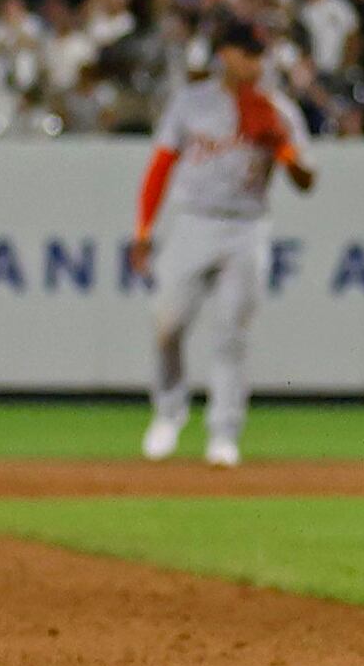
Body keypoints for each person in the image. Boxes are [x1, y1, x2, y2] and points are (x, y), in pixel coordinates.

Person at [135, 24, 318, 469]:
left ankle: (224, 432)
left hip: (247, 228)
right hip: (194, 222)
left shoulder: (278, 109)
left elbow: (307, 181)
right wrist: (143, 231)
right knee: (167, 324)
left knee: (232, 334)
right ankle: (169, 411)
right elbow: (160, 166)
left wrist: (283, 148)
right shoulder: (191, 101)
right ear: (223, 54)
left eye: (259, 54)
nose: (253, 63)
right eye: (245, 53)